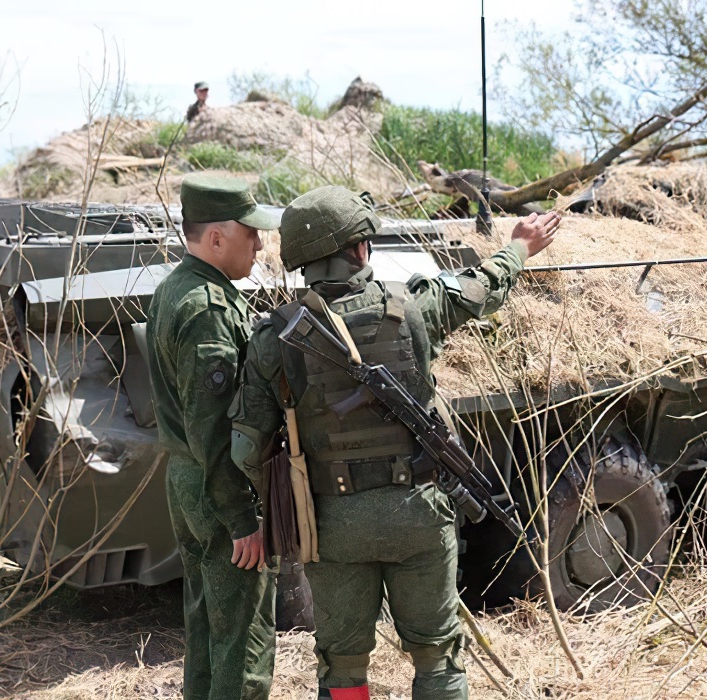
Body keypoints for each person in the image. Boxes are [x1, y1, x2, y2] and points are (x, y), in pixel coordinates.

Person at [229, 186, 560, 700]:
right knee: (437, 655)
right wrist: (518, 246)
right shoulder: (413, 306)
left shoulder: (274, 338)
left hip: (331, 526)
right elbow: (482, 288)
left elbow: (247, 451)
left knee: (342, 668)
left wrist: (283, 500)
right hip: (419, 514)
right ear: (359, 250)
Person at [148, 173, 280, 699]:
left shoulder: (174, 288)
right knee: (241, 637)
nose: (261, 243)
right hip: (216, 484)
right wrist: (242, 517)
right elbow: (214, 428)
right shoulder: (207, 308)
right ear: (218, 238)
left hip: (188, 478)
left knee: (206, 626)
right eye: (251, 233)